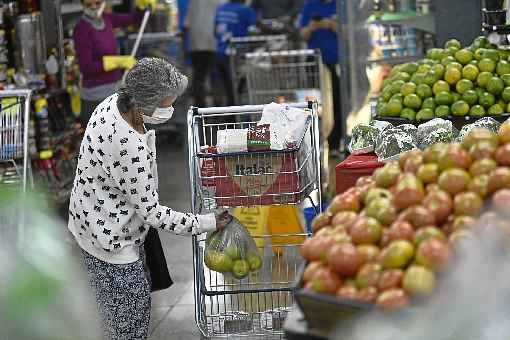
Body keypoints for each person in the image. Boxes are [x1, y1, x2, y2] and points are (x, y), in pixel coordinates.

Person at [67, 58, 231, 340]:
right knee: (129, 326)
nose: (169, 110)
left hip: (89, 222)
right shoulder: (127, 146)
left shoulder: (112, 103)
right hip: (111, 244)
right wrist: (208, 222)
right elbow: (154, 214)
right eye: (166, 105)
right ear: (142, 105)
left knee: (114, 318)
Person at [73, 0, 155, 124]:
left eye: (97, 3)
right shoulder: (81, 29)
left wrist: (142, 6)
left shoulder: (108, 19)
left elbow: (136, 18)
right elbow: (86, 67)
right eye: (88, 5)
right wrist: (117, 62)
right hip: (96, 99)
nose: (94, 7)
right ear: (82, 4)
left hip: (115, 92)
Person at [299, 0, 342, 152]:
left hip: (336, 63)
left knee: (337, 102)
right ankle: (315, 144)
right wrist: (311, 27)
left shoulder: (341, 5)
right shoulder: (309, 6)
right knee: (315, 105)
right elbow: (302, 35)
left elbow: (348, 32)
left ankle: (335, 144)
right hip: (315, 65)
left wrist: (331, 25)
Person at [214, 0, 258, 105]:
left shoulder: (221, 8)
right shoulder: (246, 10)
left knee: (228, 89)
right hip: (236, 56)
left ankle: (229, 116)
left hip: (220, 53)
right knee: (238, 90)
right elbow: (255, 30)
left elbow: (215, 32)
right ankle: (236, 117)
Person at [184, 0, 225, 107]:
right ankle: (218, 108)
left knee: (199, 78)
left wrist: (185, 47)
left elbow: (186, 25)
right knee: (217, 77)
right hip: (215, 43)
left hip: (196, 43)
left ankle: (200, 109)